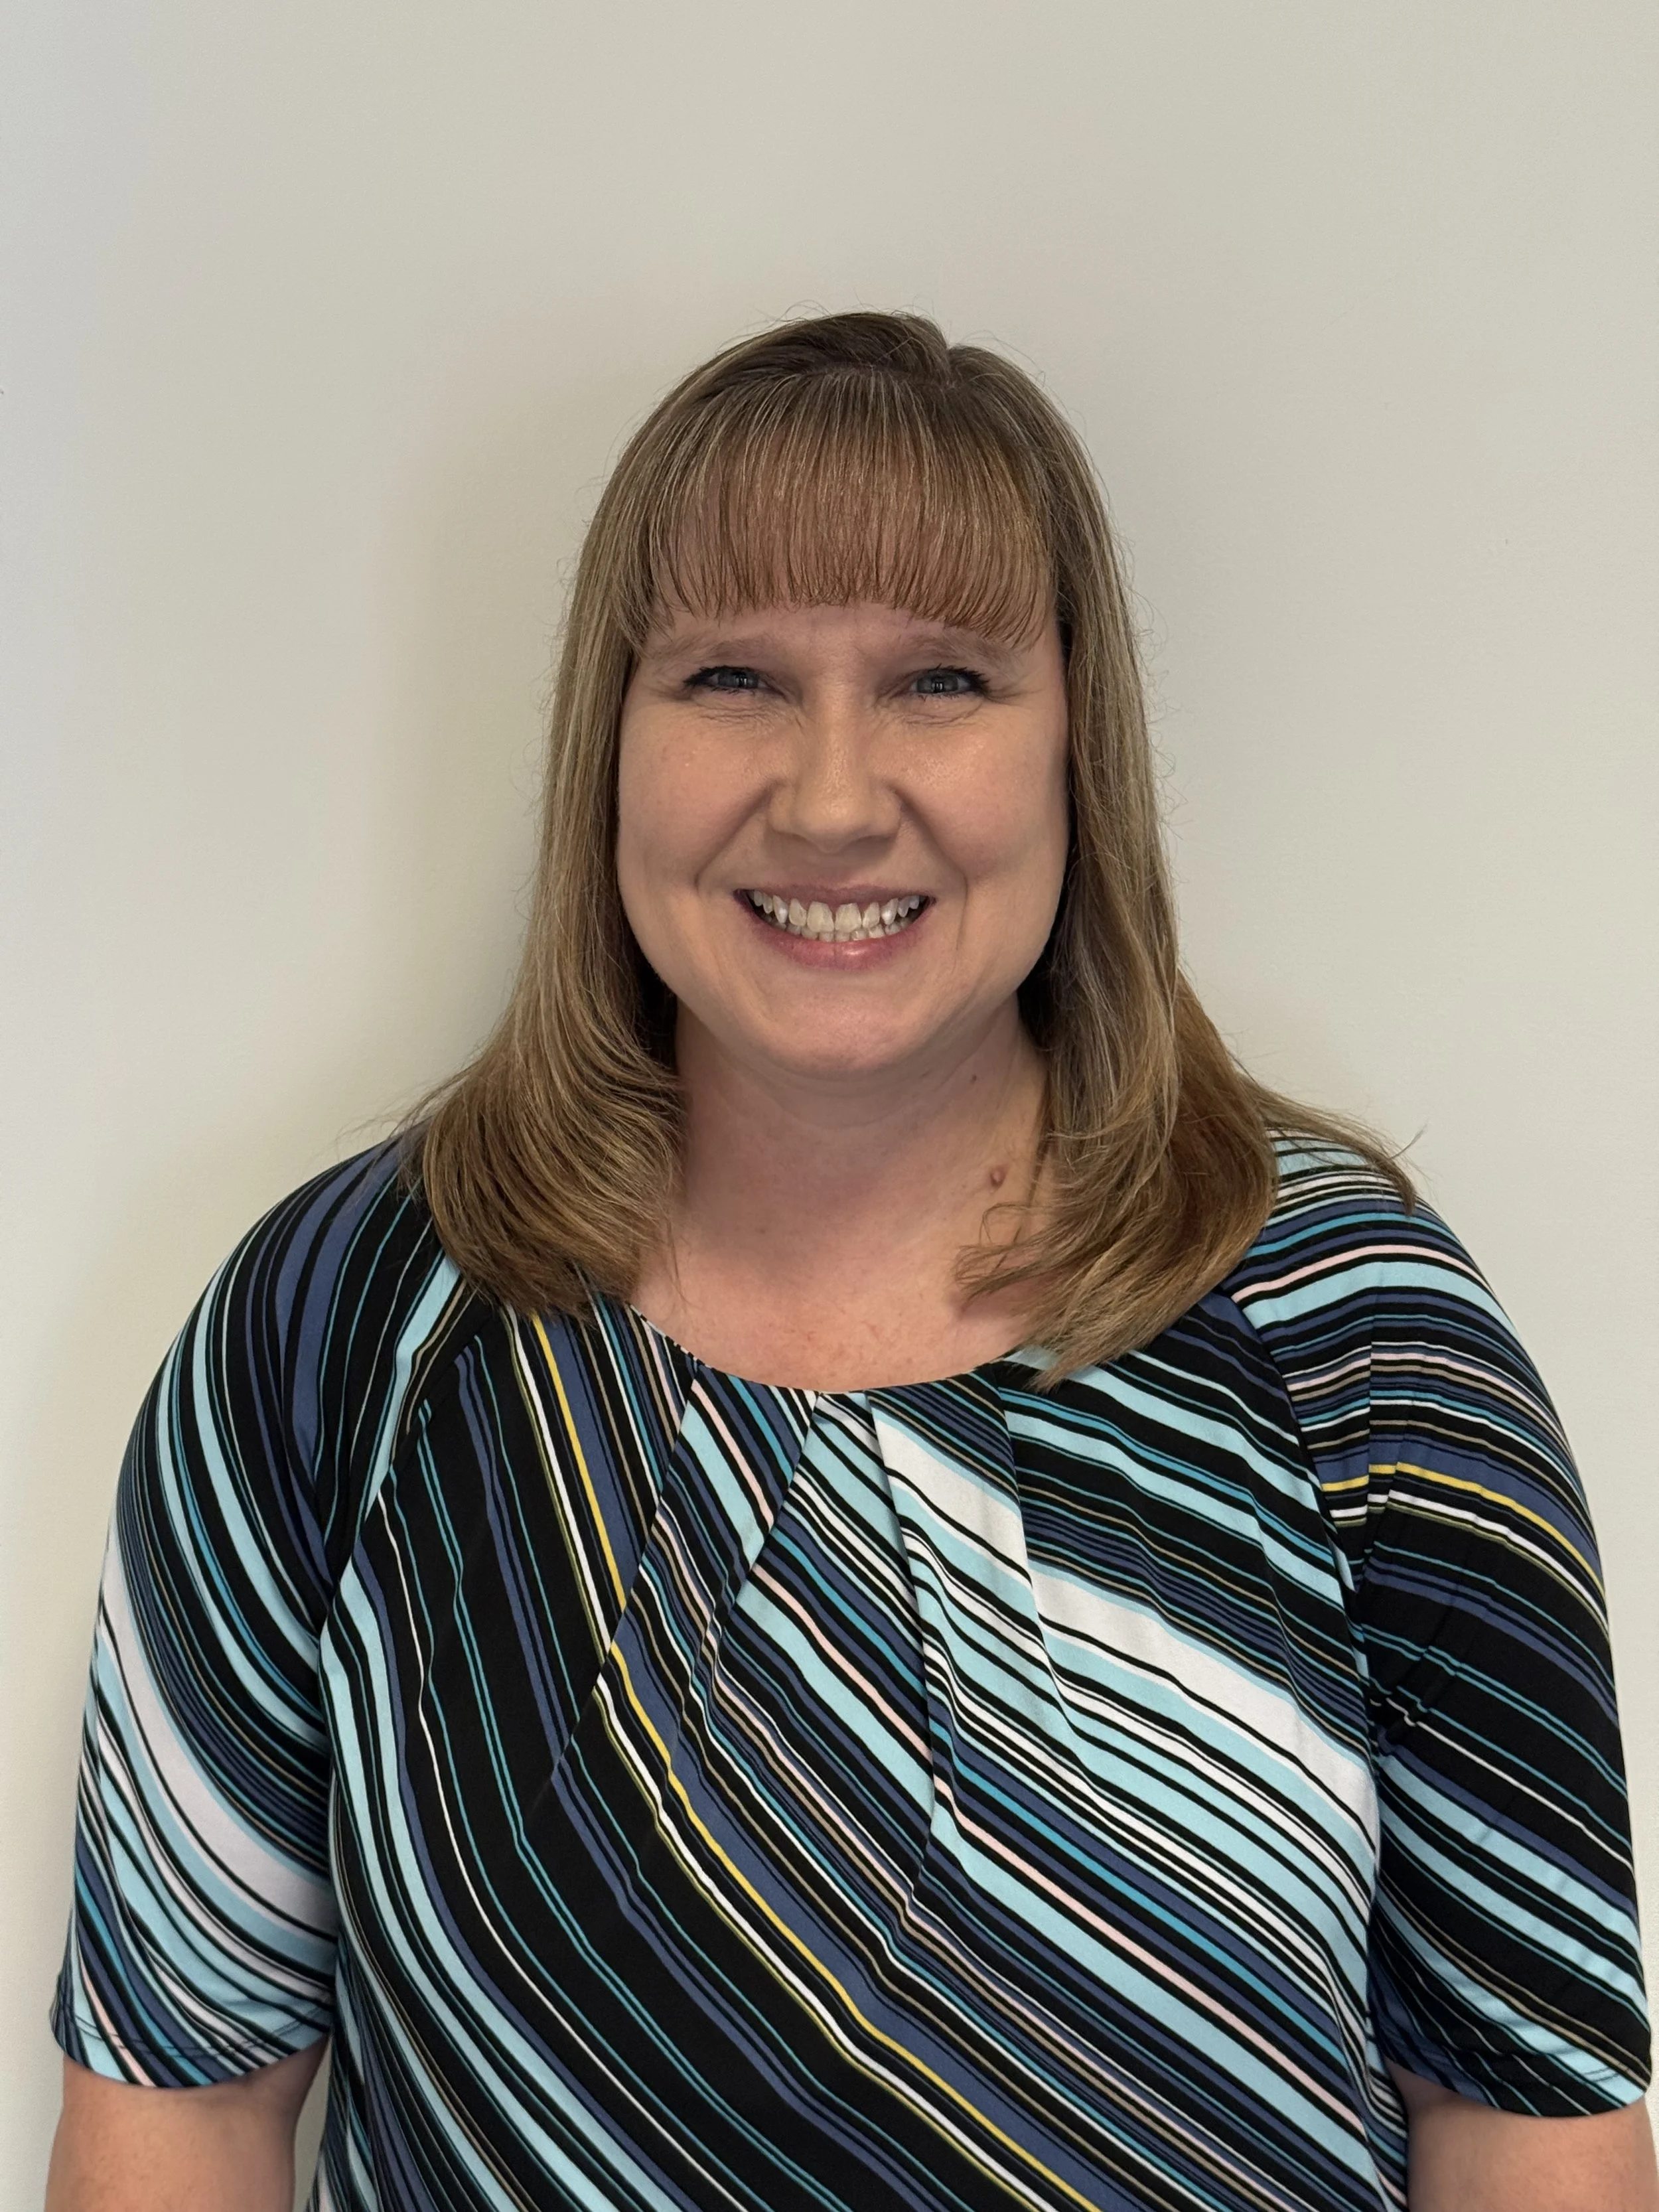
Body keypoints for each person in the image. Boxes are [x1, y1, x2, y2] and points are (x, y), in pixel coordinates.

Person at [45, 311, 1654, 2212]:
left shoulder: (1355, 1330)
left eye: (940, 682)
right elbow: (182, 2105)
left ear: (1077, 746)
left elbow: (1533, 2120)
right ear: (607, 746)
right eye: (730, 676)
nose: (827, 795)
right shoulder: (338, 1332)